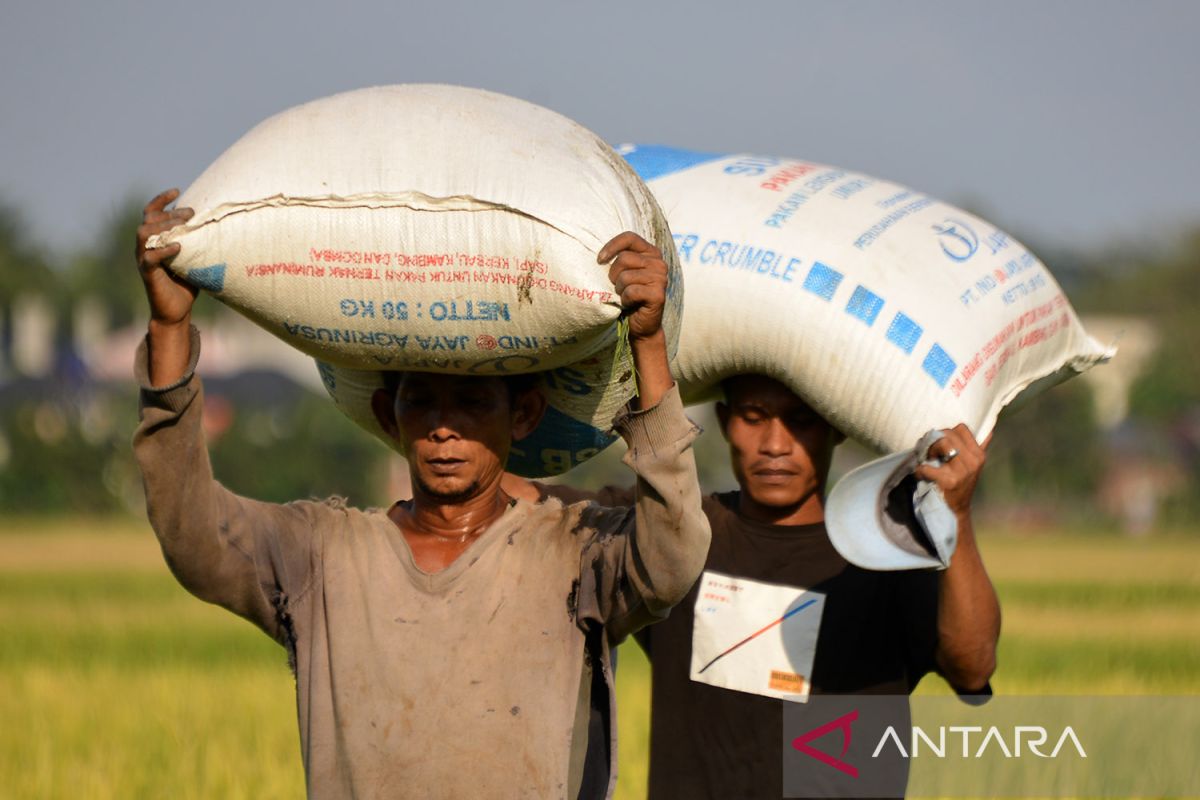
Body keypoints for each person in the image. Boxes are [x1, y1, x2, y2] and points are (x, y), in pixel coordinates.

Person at [133, 188, 711, 800]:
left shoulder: (572, 548)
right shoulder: (324, 555)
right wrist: (170, 328)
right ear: (390, 414)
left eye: (472, 402)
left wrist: (647, 344)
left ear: (523, 415)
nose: (443, 425)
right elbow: (192, 532)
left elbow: (671, 557)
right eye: (422, 401)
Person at [510, 373, 1001, 799]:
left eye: (801, 421)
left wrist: (955, 513)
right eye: (753, 416)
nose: (774, 444)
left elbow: (972, 667)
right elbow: (532, 501)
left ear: (834, 429)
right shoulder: (677, 533)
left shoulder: (885, 552)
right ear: (725, 422)